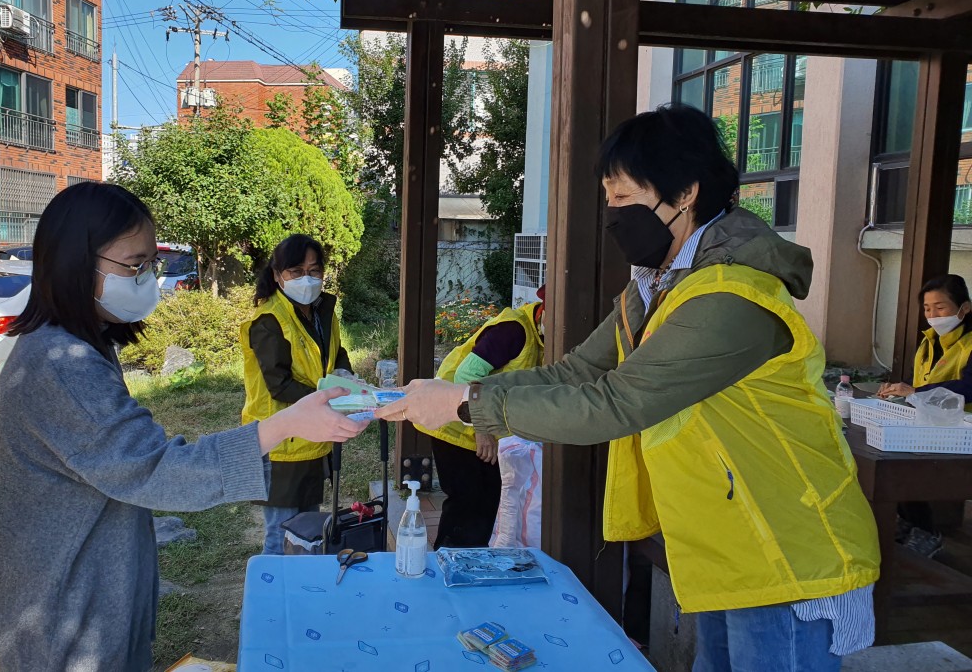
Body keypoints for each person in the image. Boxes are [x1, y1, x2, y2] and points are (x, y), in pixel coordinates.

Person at [376, 104, 881, 671]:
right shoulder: (652, 291)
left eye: (623, 195)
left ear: (684, 193)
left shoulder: (731, 299)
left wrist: (468, 404)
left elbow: (617, 402)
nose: (611, 212)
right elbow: (574, 374)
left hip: (787, 548)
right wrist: (446, 393)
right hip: (725, 546)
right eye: (607, 196)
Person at [0, 183, 368, 671]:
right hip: (65, 630)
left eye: (152, 264)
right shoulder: (61, 366)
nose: (147, 278)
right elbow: (160, 470)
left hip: (91, 606)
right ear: (76, 263)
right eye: (135, 265)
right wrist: (288, 422)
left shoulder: (83, 347)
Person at [241, 234, 353, 555]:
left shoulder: (322, 311)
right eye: (296, 271)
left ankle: (302, 598)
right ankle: (271, 600)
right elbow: (279, 383)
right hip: (279, 444)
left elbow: (336, 353)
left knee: (307, 533)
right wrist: (328, 401)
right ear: (277, 275)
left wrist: (345, 377)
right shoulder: (268, 320)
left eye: (314, 270)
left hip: (313, 439)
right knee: (280, 537)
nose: (307, 278)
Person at [415, 286, 546, 548]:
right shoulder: (514, 331)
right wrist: (482, 430)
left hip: (480, 429)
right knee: (467, 507)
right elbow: (466, 375)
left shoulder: (541, 339)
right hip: (456, 426)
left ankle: (468, 571)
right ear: (545, 308)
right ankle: (447, 567)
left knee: (485, 504)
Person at [878, 273, 972, 557]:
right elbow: (918, 381)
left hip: (963, 430)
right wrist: (898, 390)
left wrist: (915, 391)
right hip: (931, 426)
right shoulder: (929, 341)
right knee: (893, 456)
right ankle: (911, 525)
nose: (933, 314)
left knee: (903, 467)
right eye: (927, 308)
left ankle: (927, 532)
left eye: (940, 307)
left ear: (964, 308)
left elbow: (968, 387)